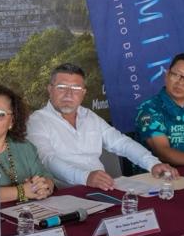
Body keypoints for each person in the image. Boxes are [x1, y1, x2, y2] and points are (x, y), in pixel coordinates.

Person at [26, 63, 175, 190]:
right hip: (63, 193)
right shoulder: (37, 121)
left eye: (76, 89)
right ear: (50, 89)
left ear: (83, 93)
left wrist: (153, 164)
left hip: (102, 188)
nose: (69, 94)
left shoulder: (89, 116)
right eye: (61, 87)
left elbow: (121, 143)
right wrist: (85, 177)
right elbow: (47, 159)